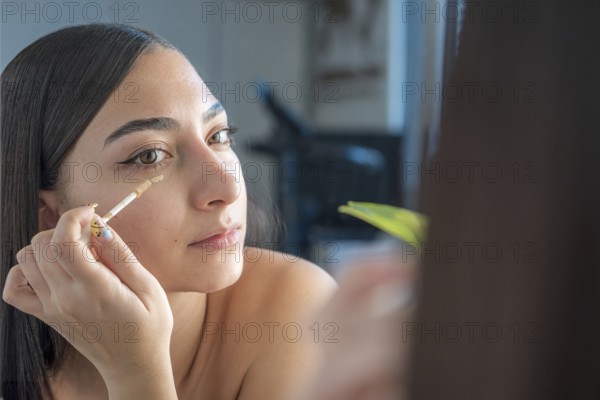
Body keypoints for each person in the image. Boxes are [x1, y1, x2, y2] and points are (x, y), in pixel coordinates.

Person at [0, 23, 337, 400]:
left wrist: (137, 375)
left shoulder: (296, 311)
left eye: (218, 136)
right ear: (49, 215)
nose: (226, 188)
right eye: (150, 156)